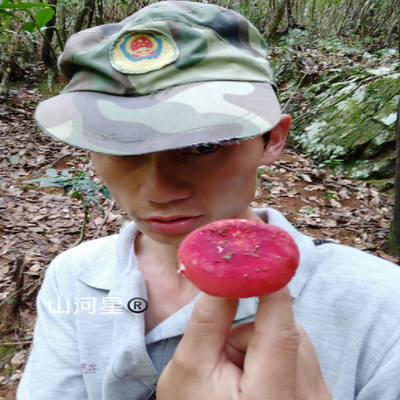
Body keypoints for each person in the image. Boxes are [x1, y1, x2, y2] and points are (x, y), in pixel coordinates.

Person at [17, 1, 400, 399]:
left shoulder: (382, 306)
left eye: (203, 146)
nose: (160, 192)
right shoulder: (75, 277)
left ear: (274, 138)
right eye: (121, 147)